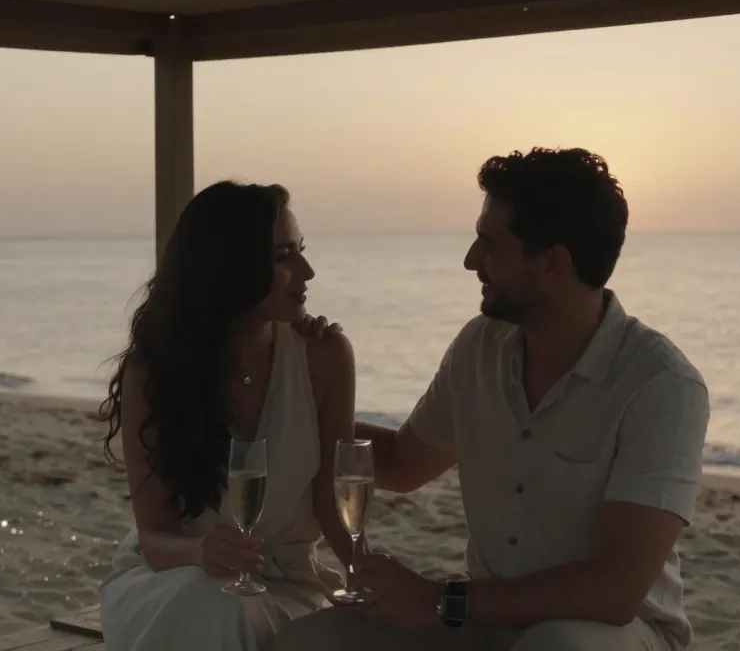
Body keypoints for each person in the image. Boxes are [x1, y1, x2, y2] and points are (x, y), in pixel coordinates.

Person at [274, 147, 711, 651]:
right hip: (482, 617)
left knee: (559, 646)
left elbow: (614, 592)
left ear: (554, 262)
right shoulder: (479, 348)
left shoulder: (660, 385)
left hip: (613, 632)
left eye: (490, 244)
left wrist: (440, 601)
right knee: (309, 641)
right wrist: (293, 404)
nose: (471, 261)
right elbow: (400, 463)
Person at [97, 180, 356, 651]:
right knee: (217, 604)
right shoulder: (155, 373)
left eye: (300, 251)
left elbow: (331, 505)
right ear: (230, 267)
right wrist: (201, 551)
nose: (307, 271)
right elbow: (154, 538)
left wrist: (367, 573)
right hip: (173, 582)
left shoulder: (324, 356)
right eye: (282, 257)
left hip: (287, 586)